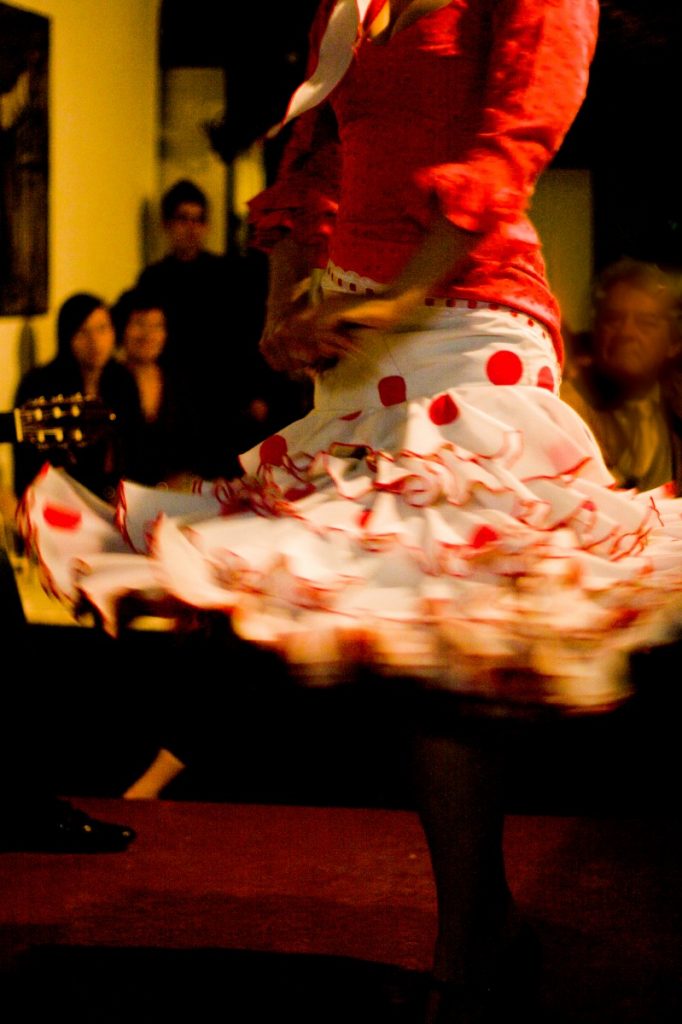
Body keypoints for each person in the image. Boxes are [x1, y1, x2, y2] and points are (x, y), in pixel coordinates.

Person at [19, 2, 682, 1020]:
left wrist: (387, 298)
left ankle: (473, 938)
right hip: (359, 344)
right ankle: (483, 921)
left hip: (469, 324)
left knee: (436, 616)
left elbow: (515, 141)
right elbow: (310, 168)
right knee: (388, 624)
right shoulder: (352, 1)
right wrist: (287, 309)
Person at [135, 179, 312, 478]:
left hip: (224, 395)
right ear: (167, 225)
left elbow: (246, 333)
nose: (191, 228)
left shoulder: (226, 273)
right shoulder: (153, 279)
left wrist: (258, 391)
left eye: (198, 220)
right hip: (176, 398)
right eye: (183, 219)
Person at [561, 258, 682, 492]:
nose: (627, 332)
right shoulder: (568, 408)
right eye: (613, 320)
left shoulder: (676, 404)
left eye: (646, 323)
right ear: (596, 330)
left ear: (673, 343)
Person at [13, 292, 143, 504]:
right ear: (67, 336)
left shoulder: (122, 380)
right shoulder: (39, 384)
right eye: (83, 331)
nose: (95, 341)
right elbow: (29, 469)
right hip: (59, 506)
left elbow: (137, 448)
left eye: (102, 329)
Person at [111, 287, 205, 488]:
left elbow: (195, 445)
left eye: (157, 326)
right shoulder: (110, 380)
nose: (148, 335)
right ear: (121, 328)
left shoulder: (178, 381)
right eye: (139, 324)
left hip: (175, 496)